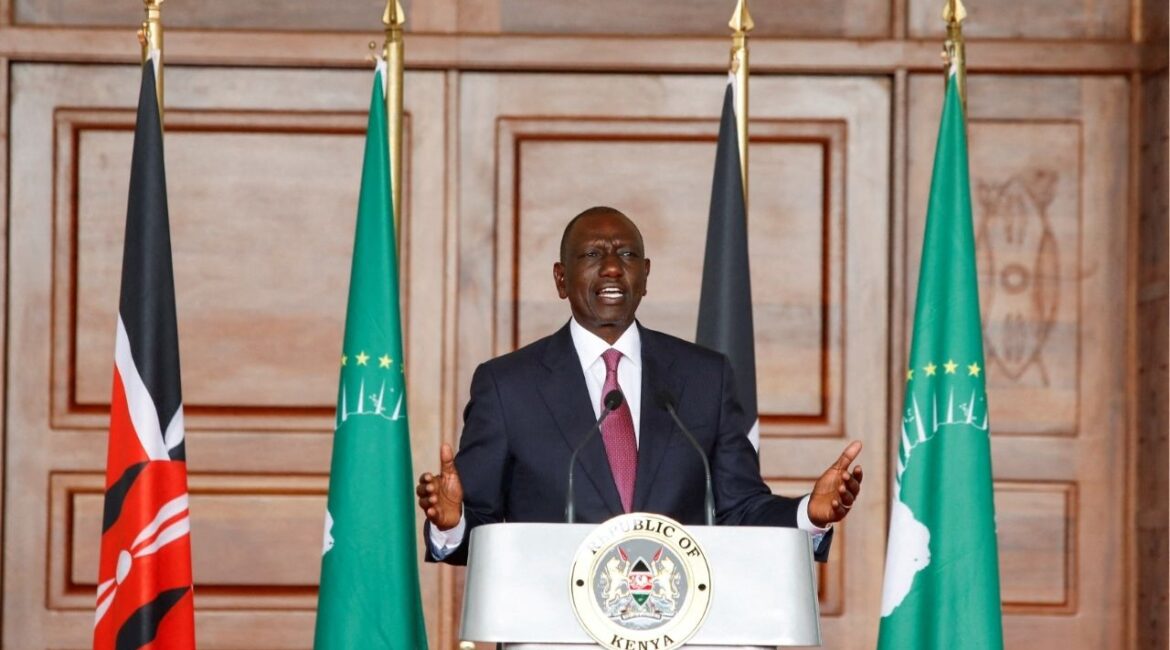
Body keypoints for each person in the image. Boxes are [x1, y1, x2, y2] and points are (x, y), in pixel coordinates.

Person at [416, 206, 862, 565]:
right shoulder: (507, 385)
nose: (612, 267)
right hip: (552, 626)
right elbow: (480, 524)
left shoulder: (704, 377)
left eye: (626, 255)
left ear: (645, 275)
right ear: (560, 278)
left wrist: (809, 514)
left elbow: (740, 507)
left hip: (677, 626)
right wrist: (452, 522)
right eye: (592, 255)